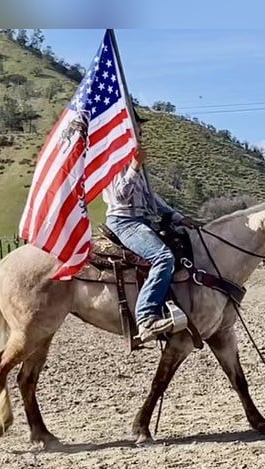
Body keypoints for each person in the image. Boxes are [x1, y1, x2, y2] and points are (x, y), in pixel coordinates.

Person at [102, 109, 195, 343]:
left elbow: (151, 198)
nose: (140, 132)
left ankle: (167, 304)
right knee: (163, 257)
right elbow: (121, 196)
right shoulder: (113, 161)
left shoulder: (134, 160)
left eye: (140, 127)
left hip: (141, 220)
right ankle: (145, 318)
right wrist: (134, 167)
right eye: (136, 127)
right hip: (124, 221)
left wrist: (177, 216)